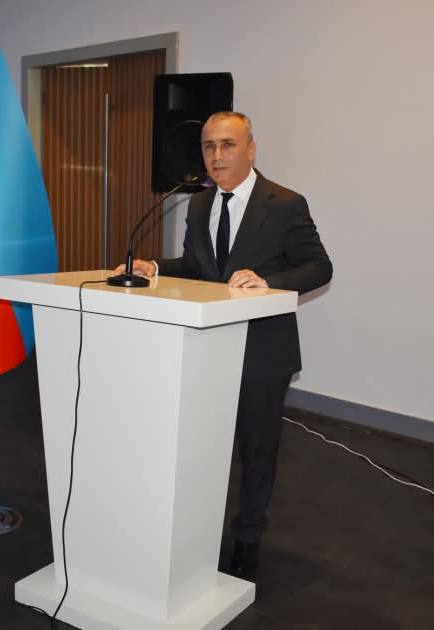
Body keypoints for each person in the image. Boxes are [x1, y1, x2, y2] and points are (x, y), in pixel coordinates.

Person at [112, 111, 332, 577]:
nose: (216, 155)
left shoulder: (285, 203)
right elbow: (198, 267)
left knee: (256, 450)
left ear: (251, 149)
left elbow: (319, 267)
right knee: (203, 446)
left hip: (263, 351)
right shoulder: (198, 205)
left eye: (227, 145)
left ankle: (248, 537)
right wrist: (155, 267)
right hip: (206, 348)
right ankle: (199, 530)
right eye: (209, 146)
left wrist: (268, 281)